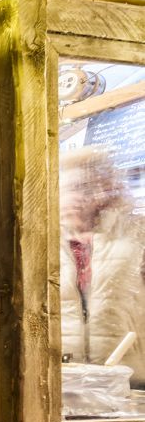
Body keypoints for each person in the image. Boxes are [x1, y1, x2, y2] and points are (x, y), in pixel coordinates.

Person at [60, 146, 145, 385]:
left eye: (81, 188)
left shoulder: (137, 235)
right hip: (66, 380)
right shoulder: (45, 245)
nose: (71, 199)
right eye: (64, 189)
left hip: (132, 379)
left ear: (102, 190)